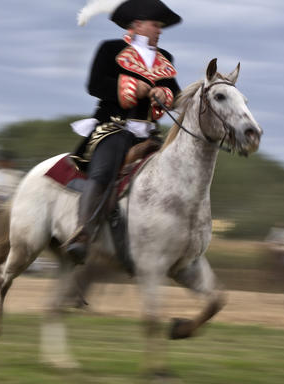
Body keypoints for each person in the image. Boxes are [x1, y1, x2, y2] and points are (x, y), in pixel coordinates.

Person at [65, 0, 182, 264]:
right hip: (113, 126)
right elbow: (95, 85)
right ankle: (83, 233)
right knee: (105, 170)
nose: (159, 31)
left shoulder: (166, 58)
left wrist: (162, 93)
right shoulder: (110, 49)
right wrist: (133, 87)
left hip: (148, 134)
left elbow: (173, 91)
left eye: (160, 26)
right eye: (155, 25)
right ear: (137, 24)